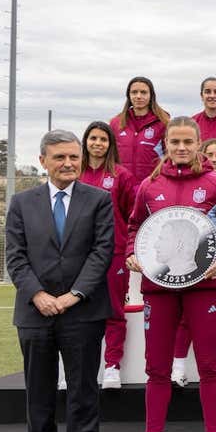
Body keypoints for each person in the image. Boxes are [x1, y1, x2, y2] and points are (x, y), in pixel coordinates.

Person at [124, 117, 216, 432]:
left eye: (186, 142)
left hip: (205, 287)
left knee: (209, 366)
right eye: (174, 142)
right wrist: (133, 252)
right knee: (156, 369)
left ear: (197, 144)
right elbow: (135, 228)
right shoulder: (149, 186)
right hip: (158, 287)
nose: (180, 148)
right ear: (165, 143)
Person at [6, 130, 114, 432]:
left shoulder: (99, 200)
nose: (68, 163)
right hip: (34, 312)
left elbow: (102, 252)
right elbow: (16, 257)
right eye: (59, 158)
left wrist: (75, 295)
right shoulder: (22, 203)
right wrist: (38, 295)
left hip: (82, 311)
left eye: (73, 157)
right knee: (39, 389)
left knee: (83, 389)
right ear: (43, 162)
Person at [168, 138, 216, 385]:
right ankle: (178, 367)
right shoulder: (186, 184)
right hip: (188, 260)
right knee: (184, 314)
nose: (215, 158)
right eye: (209, 153)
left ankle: (211, 368)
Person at [79, 121, 137, 390]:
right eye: (93, 138)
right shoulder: (74, 173)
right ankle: (75, 369)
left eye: (103, 139)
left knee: (114, 311)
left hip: (113, 251)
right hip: (78, 254)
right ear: (86, 142)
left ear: (110, 144)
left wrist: (126, 245)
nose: (98, 143)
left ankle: (112, 366)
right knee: (77, 311)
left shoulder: (121, 175)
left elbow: (131, 213)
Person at [110, 76, 170, 180]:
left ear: (151, 95)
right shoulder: (116, 123)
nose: (138, 96)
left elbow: (170, 156)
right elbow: (110, 156)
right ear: (129, 95)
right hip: (122, 183)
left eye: (143, 92)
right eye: (134, 92)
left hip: (152, 183)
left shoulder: (163, 123)